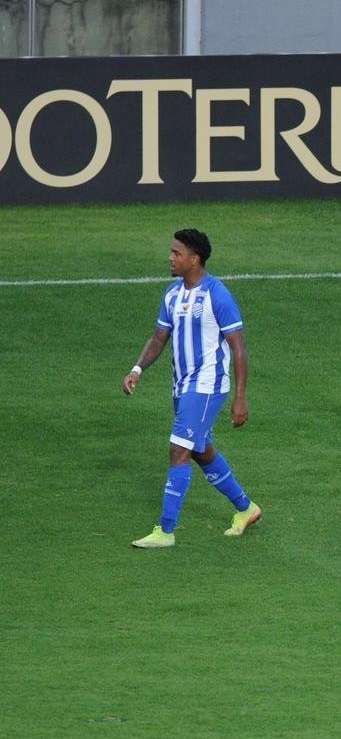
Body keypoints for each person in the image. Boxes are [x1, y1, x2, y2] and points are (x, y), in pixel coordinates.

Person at [123, 229, 261, 548]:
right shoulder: (172, 294)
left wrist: (240, 398)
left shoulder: (218, 295)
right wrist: (137, 369)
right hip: (182, 385)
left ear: (194, 259)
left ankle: (166, 531)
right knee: (199, 450)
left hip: (207, 384)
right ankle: (246, 509)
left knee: (178, 449)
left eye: (176, 253)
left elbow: (239, 348)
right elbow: (159, 338)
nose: (170, 257)